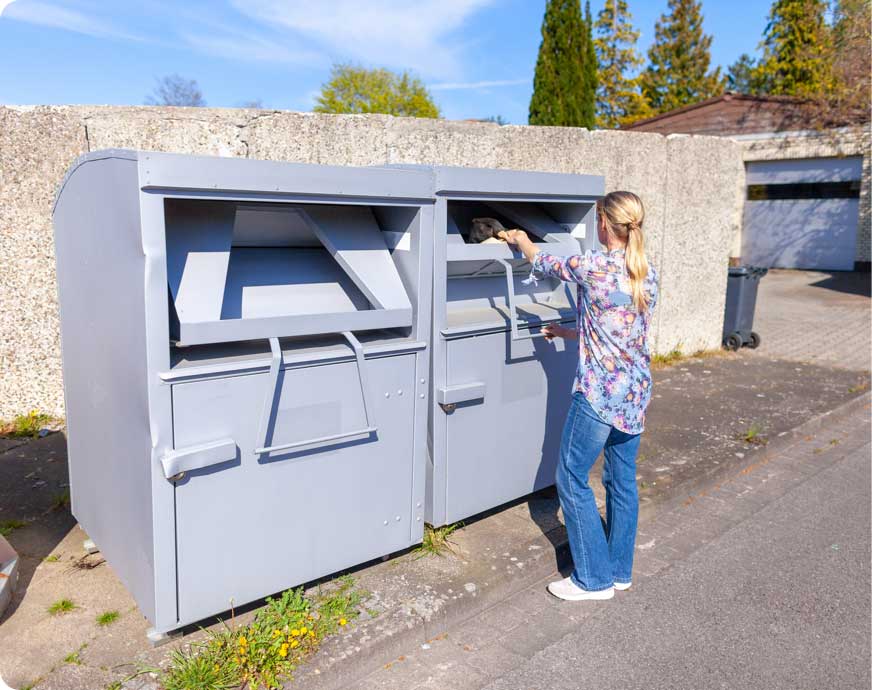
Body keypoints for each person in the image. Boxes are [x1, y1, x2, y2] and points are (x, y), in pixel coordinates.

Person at [499, 191, 659, 601]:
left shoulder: (592, 265)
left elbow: (542, 261)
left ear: (604, 224)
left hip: (600, 394)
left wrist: (518, 239)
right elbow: (618, 326)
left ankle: (593, 579)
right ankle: (619, 570)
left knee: (571, 477)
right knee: (621, 480)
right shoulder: (645, 272)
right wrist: (569, 332)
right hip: (635, 392)